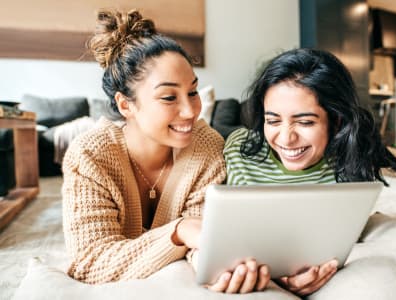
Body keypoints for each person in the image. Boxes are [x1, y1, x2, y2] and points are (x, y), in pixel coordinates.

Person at [62, 10, 270, 293]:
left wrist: (222, 267)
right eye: (169, 97)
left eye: (193, 92)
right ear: (126, 105)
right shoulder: (90, 156)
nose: (190, 111)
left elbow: (203, 240)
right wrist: (178, 230)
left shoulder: (206, 146)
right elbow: (90, 262)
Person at [224, 48, 396, 296]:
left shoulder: (350, 161)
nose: (286, 138)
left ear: (336, 121)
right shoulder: (239, 149)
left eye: (305, 122)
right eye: (273, 120)